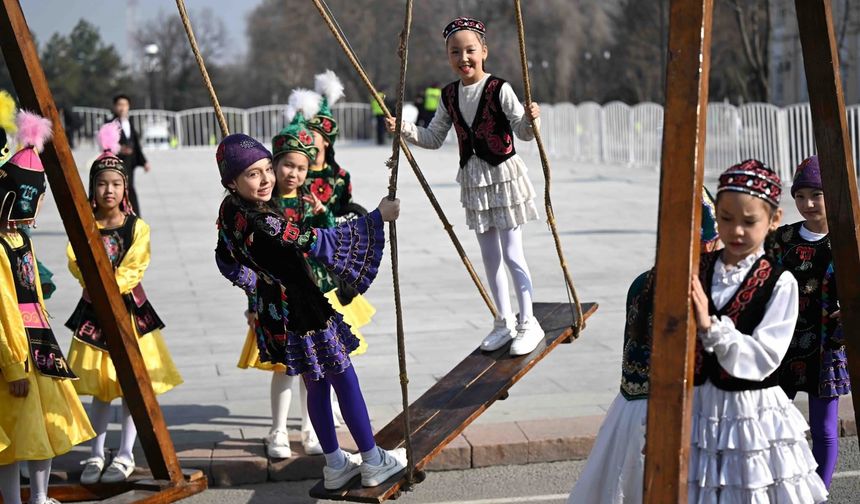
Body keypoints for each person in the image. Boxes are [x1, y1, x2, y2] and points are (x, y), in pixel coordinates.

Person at [213, 133, 406, 489]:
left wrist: (257, 282)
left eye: (267, 168)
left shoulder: (229, 211)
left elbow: (224, 258)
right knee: (345, 379)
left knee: (315, 382)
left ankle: (335, 465)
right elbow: (314, 241)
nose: (267, 178)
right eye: (253, 174)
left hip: (277, 311)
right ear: (231, 182)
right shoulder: (262, 221)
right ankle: (373, 459)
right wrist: (378, 216)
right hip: (303, 309)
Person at [225, 101, 375, 459]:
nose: (291, 173)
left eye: (301, 167)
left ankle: (312, 430)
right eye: (285, 165)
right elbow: (246, 259)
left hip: (314, 293)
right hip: (279, 304)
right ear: (273, 165)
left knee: (318, 369)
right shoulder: (262, 208)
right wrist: (252, 296)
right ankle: (278, 429)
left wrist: (325, 218)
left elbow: (327, 239)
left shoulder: (309, 204)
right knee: (286, 370)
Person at [387, 17, 544, 356]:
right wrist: (404, 129)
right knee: (490, 257)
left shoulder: (499, 88)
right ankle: (503, 320)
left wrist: (533, 118)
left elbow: (523, 131)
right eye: (455, 52)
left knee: (513, 253)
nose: (464, 58)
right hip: (474, 181)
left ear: (484, 51)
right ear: (448, 56)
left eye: (470, 50)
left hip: (504, 177)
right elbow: (433, 137)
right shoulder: (448, 95)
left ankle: (528, 321)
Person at [567, 190, 720, 504]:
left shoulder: (642, 282)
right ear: (708, 245)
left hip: (628, 408)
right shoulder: (697, 290)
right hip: (665, 408)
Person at [688, 159, 827, 502]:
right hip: (700, 407)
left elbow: (765, 356)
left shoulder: (780, 283)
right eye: (726, 219)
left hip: (749, 413)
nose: (736, 231)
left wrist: (710, 327)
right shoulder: (700, 270)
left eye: (749, 222)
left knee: (749, 489)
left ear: (773, 220)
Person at [65, 123, 182, 484]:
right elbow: (75, 259)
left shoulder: (137, 227)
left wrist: (106, 286)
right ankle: (96, 454)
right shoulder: (84, 225)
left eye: (115, 183)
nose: (108, 190)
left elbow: (135, 266)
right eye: (102, 184)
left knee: (131, 387)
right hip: (94, 315)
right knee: (101, 392)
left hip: (130, 314)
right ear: (92, 189)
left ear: (125, 188)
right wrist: (95, 286)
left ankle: (127, 454)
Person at [0, 109, 95, 504]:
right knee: (12, 431)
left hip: (39, 341)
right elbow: (3, 310)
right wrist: (11, 364)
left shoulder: (22, 239)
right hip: (15, 350)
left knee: (42, 427)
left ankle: (39, 497)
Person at [774, 155, 849, 489]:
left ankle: (820, 492)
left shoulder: (849, 241)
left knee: (824, 429)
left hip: (827, 345)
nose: (807, 203)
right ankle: (775, 484)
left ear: (831, 194)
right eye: (800, 195)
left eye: (816, 195)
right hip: (780, 345)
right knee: (772, 421)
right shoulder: (782, 239)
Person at [307, 71, 354, 218]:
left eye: (312, 135)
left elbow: (349, 216)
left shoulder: (341, 177)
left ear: (326, 141)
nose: (306, 140)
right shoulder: (293, 174)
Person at [108, 95, 149, 216]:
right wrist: (120, 149)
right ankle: (123, 215)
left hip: (130, 163)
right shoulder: (111, 124)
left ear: (128, 107)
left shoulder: (129, 123)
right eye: (119, 105)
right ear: (115, 107)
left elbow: (136, 145)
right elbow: (107, 144)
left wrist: (144, 162)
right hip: (117, 163)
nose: (122, 108)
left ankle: (133, 216)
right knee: (121, 189)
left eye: (125, 105)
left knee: (129, 188)